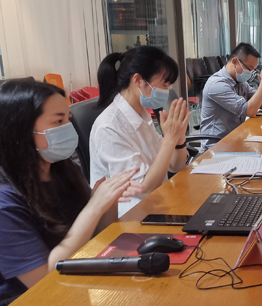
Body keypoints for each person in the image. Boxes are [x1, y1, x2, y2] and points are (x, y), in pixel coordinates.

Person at [0, 80, 141, 304]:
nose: (68, 128)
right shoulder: (5, 204)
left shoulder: (61, 169)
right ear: (21, 130)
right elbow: (45, 282)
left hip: (77, 281)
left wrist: (108, 201)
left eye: (68, 119)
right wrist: (94, 207)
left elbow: (96, 235)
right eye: (59, 121)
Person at [91, 46, 190, 217]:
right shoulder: (109, 127)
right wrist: (169, 138)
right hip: (130, 217)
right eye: (164, 84)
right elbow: (143, 189)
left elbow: (176, 165)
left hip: (157, 203)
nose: (166, 91)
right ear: (138, 80)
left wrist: (178, 137)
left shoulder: (140, 114)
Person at [201, 43, 262, 149]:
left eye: (253, 70)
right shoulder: (217, 84)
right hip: (216, 146)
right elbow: (250, 111)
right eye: (249, 68)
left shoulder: (240, 82)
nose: (251, 73)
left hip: (235, 139)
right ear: (235, 61)